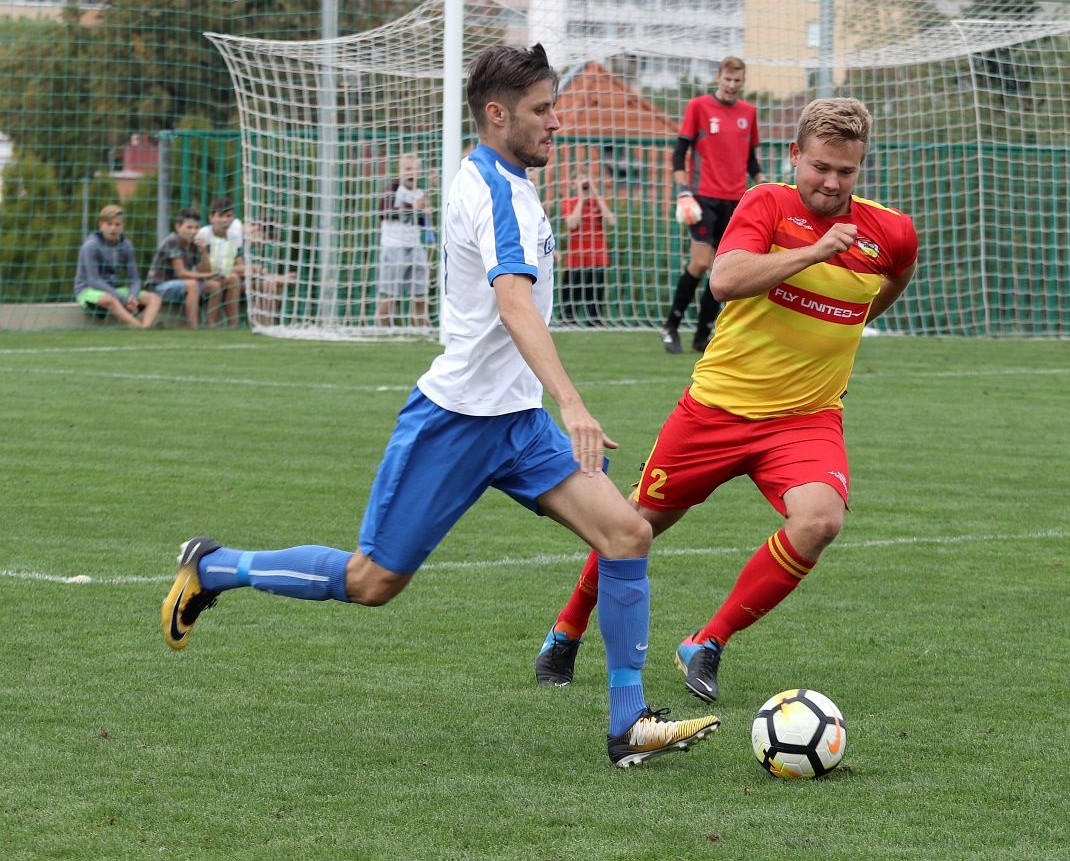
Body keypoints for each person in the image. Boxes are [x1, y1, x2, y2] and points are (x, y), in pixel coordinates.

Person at [161, 43, 720, 769]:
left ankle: (628, 723)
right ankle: (214, 566)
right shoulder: (493, 190)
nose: (556, 122)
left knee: (625, 534)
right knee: (371, 582)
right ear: (497, 115)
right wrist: (575, 404)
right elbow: (513, 303)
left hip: (517, 424)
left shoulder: (507, 178)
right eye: (541, 110)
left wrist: (547, 406)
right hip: (455, 421)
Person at [536, 98, 918, 705]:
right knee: (634, 524)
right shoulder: (766, 203)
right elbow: (724, 280)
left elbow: (890, 282)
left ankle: (707, 642)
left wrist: (841, 320)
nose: (830, 182)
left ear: (861, 166)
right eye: (820, 167)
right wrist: (814, 252)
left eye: (846, 171)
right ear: (795, 155)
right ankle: (567, 628)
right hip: (715, 410)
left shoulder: (891, 232)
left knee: (820, 521)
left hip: (805, 419)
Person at [660, 56, 766, 355]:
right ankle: (671, 327)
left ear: (743, 81)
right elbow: (679, 153)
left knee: (722, 270)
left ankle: (702, 335)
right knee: (699, 263)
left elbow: (750, 159)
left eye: (737, 80)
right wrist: (683, 191)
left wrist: (763, 182)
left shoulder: (748, 112)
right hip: (703, 196)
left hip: (735, 201)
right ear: (718, 77)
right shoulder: (699, 107)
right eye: (727, 79)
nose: (731, 85)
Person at [74, 204, 162, 329]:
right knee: (110, 299)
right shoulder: (91, 246)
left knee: (154, 299)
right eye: (109, 224)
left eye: (117, 224)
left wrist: (132, 296)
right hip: (88, 290)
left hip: (114, 289)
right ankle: (138, 328)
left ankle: (145, 327)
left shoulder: (126, 245)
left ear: (123, 226)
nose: (113, 228)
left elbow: (135, 279)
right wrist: (123, 298)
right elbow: (94, 280)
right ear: (101, 225)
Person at [375, 152, 433, 328]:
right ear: (400, 171)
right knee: (390, 296)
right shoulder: (392, 189)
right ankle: (382, 331)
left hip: (415, 247)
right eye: (407, 169)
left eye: (414, 169)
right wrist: (411, 207)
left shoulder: (420, 193)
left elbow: (421, 223)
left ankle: (423, 330)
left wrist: (424, 212)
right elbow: (384, 212)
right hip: (393, 248)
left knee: (420, 296)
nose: (411, 173)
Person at [145, 206, 223, 328]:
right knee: (192, 285)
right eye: (189, 227)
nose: (193, 231)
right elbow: (181, 273)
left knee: (215, 286)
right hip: (159, 286)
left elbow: (205, 271)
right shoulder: (172, 241)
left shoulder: (194, 244)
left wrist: (203, 252)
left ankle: (210, 325)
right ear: (178, 227)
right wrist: (208, 274)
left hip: (182, 284)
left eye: (196, 228)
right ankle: (194, 328)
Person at [557, 176, 615, 326]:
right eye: (580, 180)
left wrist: (595, 194)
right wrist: (581, 199)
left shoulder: (598, 202)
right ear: (573, 185)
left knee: (595, 291)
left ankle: (594, 320)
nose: (585, 183)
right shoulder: (569, 202)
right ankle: (567, 319)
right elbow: (572, 224)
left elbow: (611, 221)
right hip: (577, 256)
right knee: (572, 289)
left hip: (597, 255)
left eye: (586, 180)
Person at [196, 197, 246, 328]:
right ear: (211, 217)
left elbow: (240, 265)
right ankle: (212, 324)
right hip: (202, 278)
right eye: (220, 216)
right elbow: (205, 270)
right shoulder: (203, 234)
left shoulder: (234, 235)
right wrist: (204, 253)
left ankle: (233, 325)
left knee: (238, 278)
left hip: (224, 276)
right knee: (231, 279)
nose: (225, 220)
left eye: (228, 216)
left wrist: (252, 269)